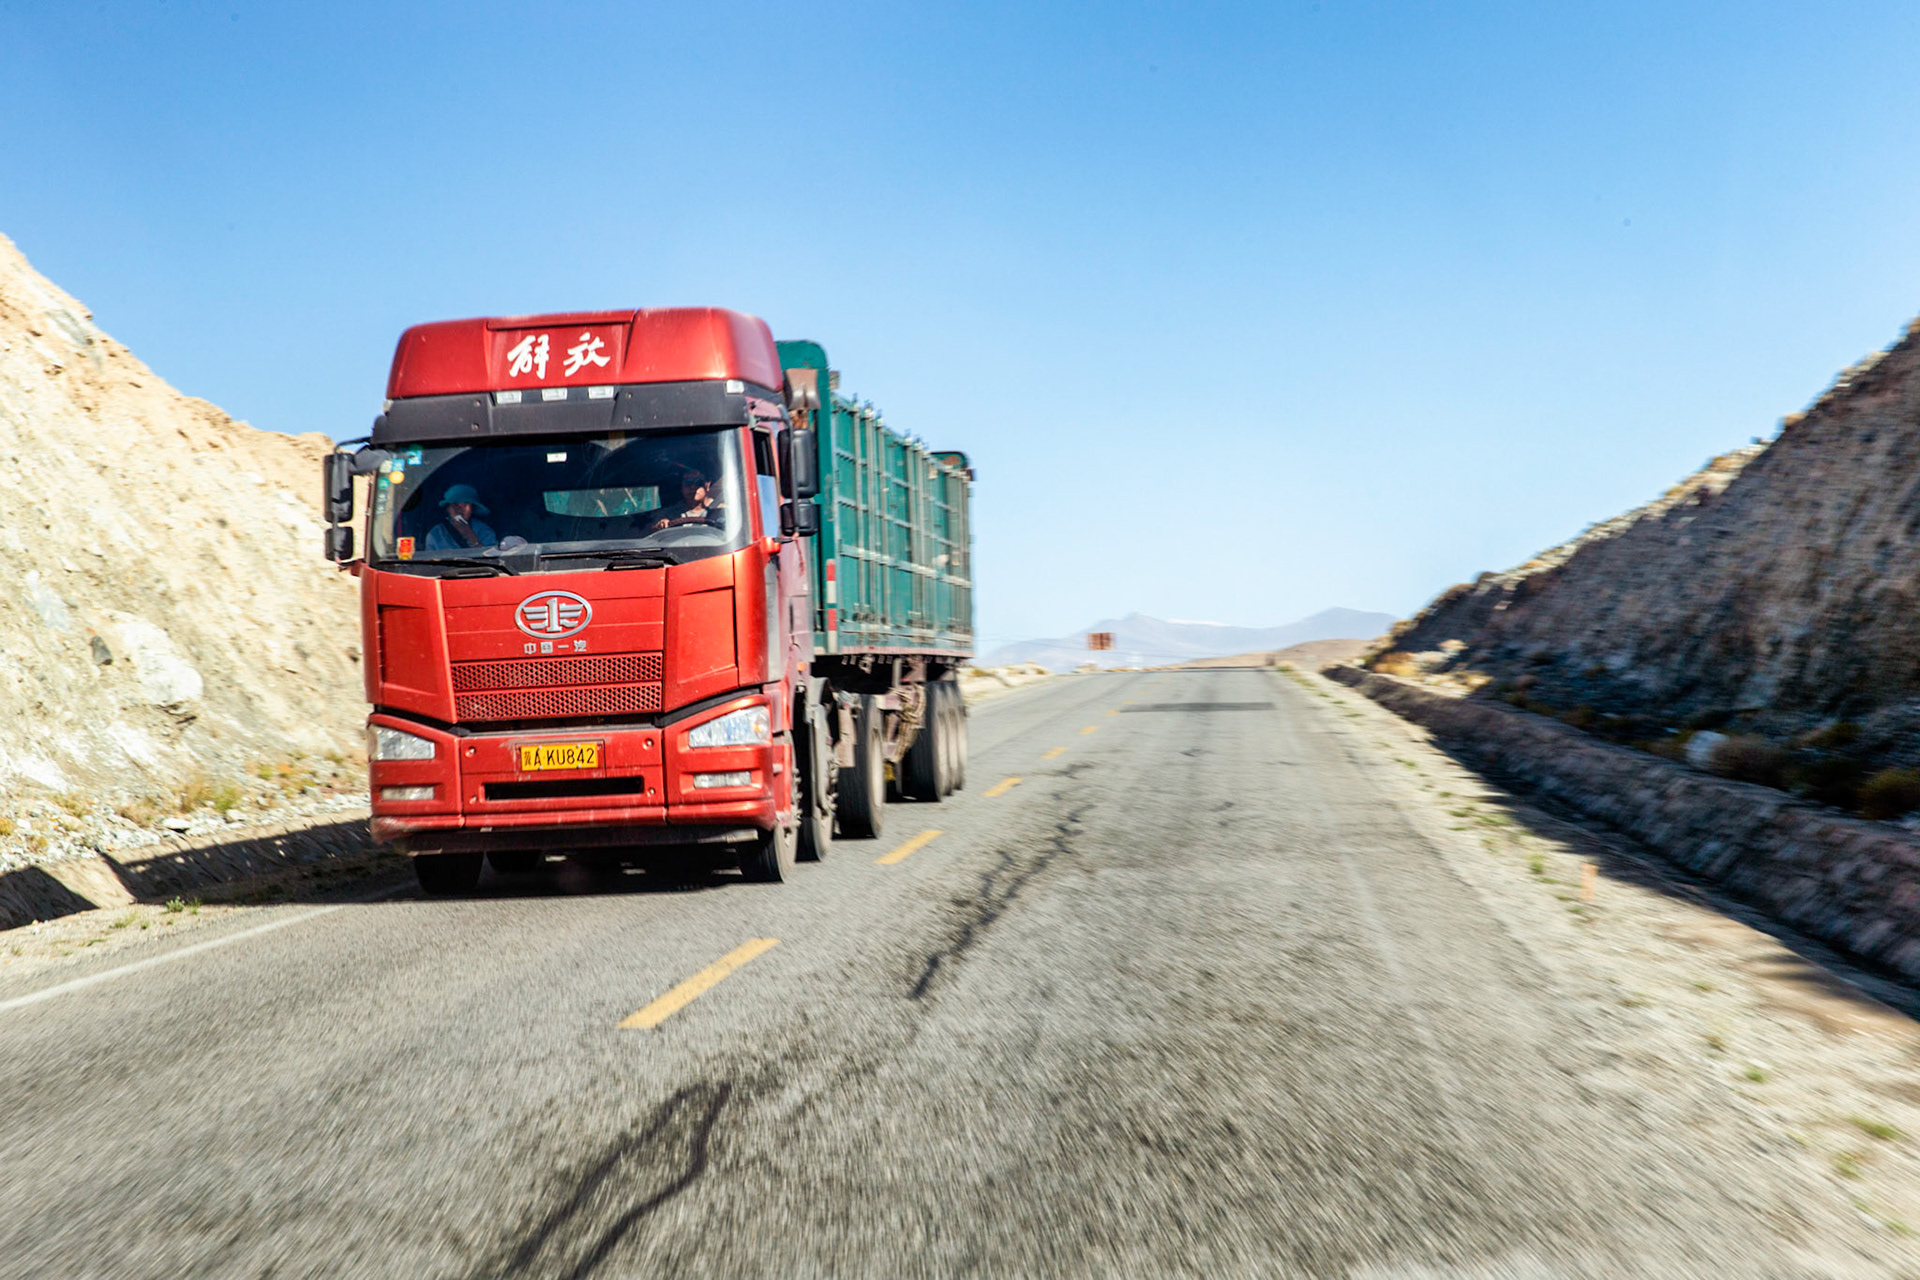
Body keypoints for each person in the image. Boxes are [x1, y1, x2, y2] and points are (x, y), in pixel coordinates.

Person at [423, 484, 499, 551]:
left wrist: (470, 535)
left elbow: (493, 558)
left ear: (472, 509)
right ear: (448, 509)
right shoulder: (435, 534)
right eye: (455, 505)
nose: (459, 510)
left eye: (465, 505)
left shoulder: (484, 531)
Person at [647, 468, 725, 531]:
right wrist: (660, 525)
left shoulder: (721, 510)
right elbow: (652, 533)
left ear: (707, 486)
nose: (693, 487)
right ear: (681, 487)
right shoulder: (670, 513)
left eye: (698, 482)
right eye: (688, 482)